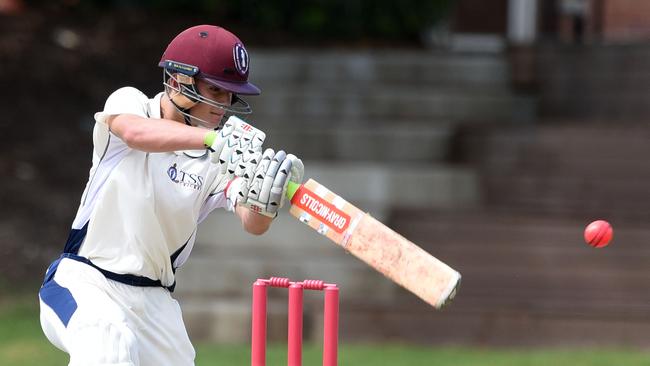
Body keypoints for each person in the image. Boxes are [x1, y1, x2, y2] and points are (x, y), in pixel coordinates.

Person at [38, 24, 303, 366]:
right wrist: (211, 140)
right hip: (87, 282)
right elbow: (135, 133)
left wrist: (264, 199)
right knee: (108, 344)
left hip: (155, 304)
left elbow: (253, 224)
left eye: (229, 95)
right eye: (215, 90)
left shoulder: (218, 159)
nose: (223, 105)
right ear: (179, 81)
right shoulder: (131, 103)